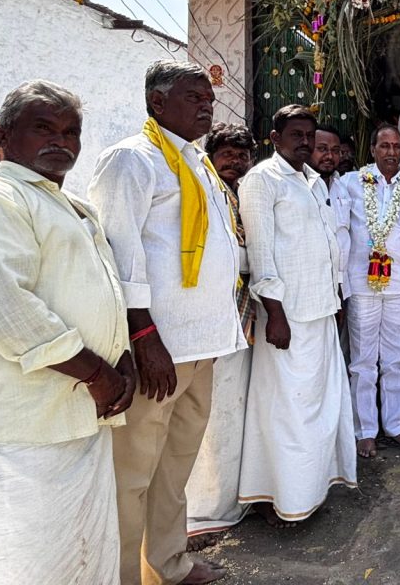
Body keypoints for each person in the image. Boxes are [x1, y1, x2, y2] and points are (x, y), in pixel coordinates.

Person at [0, 81, 134, 585]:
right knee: (28, 559)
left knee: (84, 549)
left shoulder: (75, 206)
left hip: (84, 412)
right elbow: (5, 307)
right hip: (26, 422)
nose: (61, 141)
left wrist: (123, 358)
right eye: (43, 128)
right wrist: (98, 373)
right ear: (3, 136)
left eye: (71, 131)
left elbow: (104, 289)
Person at [90, 60, 245, 585]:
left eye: (209, 99)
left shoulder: (198, 162)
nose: (207, 107)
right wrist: (143, 335)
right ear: (157, 102)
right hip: (159, 348)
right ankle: (123, 576)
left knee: (175, 469)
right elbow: (118, 255)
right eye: (193, 97)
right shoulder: (132, 160)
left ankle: (168, 565)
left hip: (202, 345)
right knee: (132, 476)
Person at [236, 105, 357, 528]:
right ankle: (279, 496)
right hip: (287, 315)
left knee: (318, 407)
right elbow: (261, 252)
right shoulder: (261, 180)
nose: (305, 142)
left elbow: (327, 244)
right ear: (275, 138)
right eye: (296, 135)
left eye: (310, 136)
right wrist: (275, 313)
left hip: (320, 309)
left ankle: (310, 489)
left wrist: (336, 296)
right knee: (287, 410)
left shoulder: (313, 180)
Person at [338, 125, 400, 458]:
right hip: (362, 283)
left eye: (396, 146)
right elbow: (341, 233)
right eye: (385, 146)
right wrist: (340, 282)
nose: (391, 152)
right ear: (373, 149)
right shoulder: (351, 183)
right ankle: (364, 430)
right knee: (363, 360)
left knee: (395, 359)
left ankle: (394, 424)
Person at [186, 122, 257, 550]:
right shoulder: (203, 192)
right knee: (207, 418)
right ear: (211, 157)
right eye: (227, 154)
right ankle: (202, 510)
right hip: (209, 319)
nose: (235, 162)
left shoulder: (244, 196)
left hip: (243, 317)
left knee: (235, 410)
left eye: (242, 155)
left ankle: (231, 501)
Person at [311, 124, 353, 360]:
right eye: (322, 149)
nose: (329, 156)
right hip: (312, 287)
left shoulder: (343, 187)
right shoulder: (301, 186)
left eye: (335, 150)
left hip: (340, 286)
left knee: (337, 353)